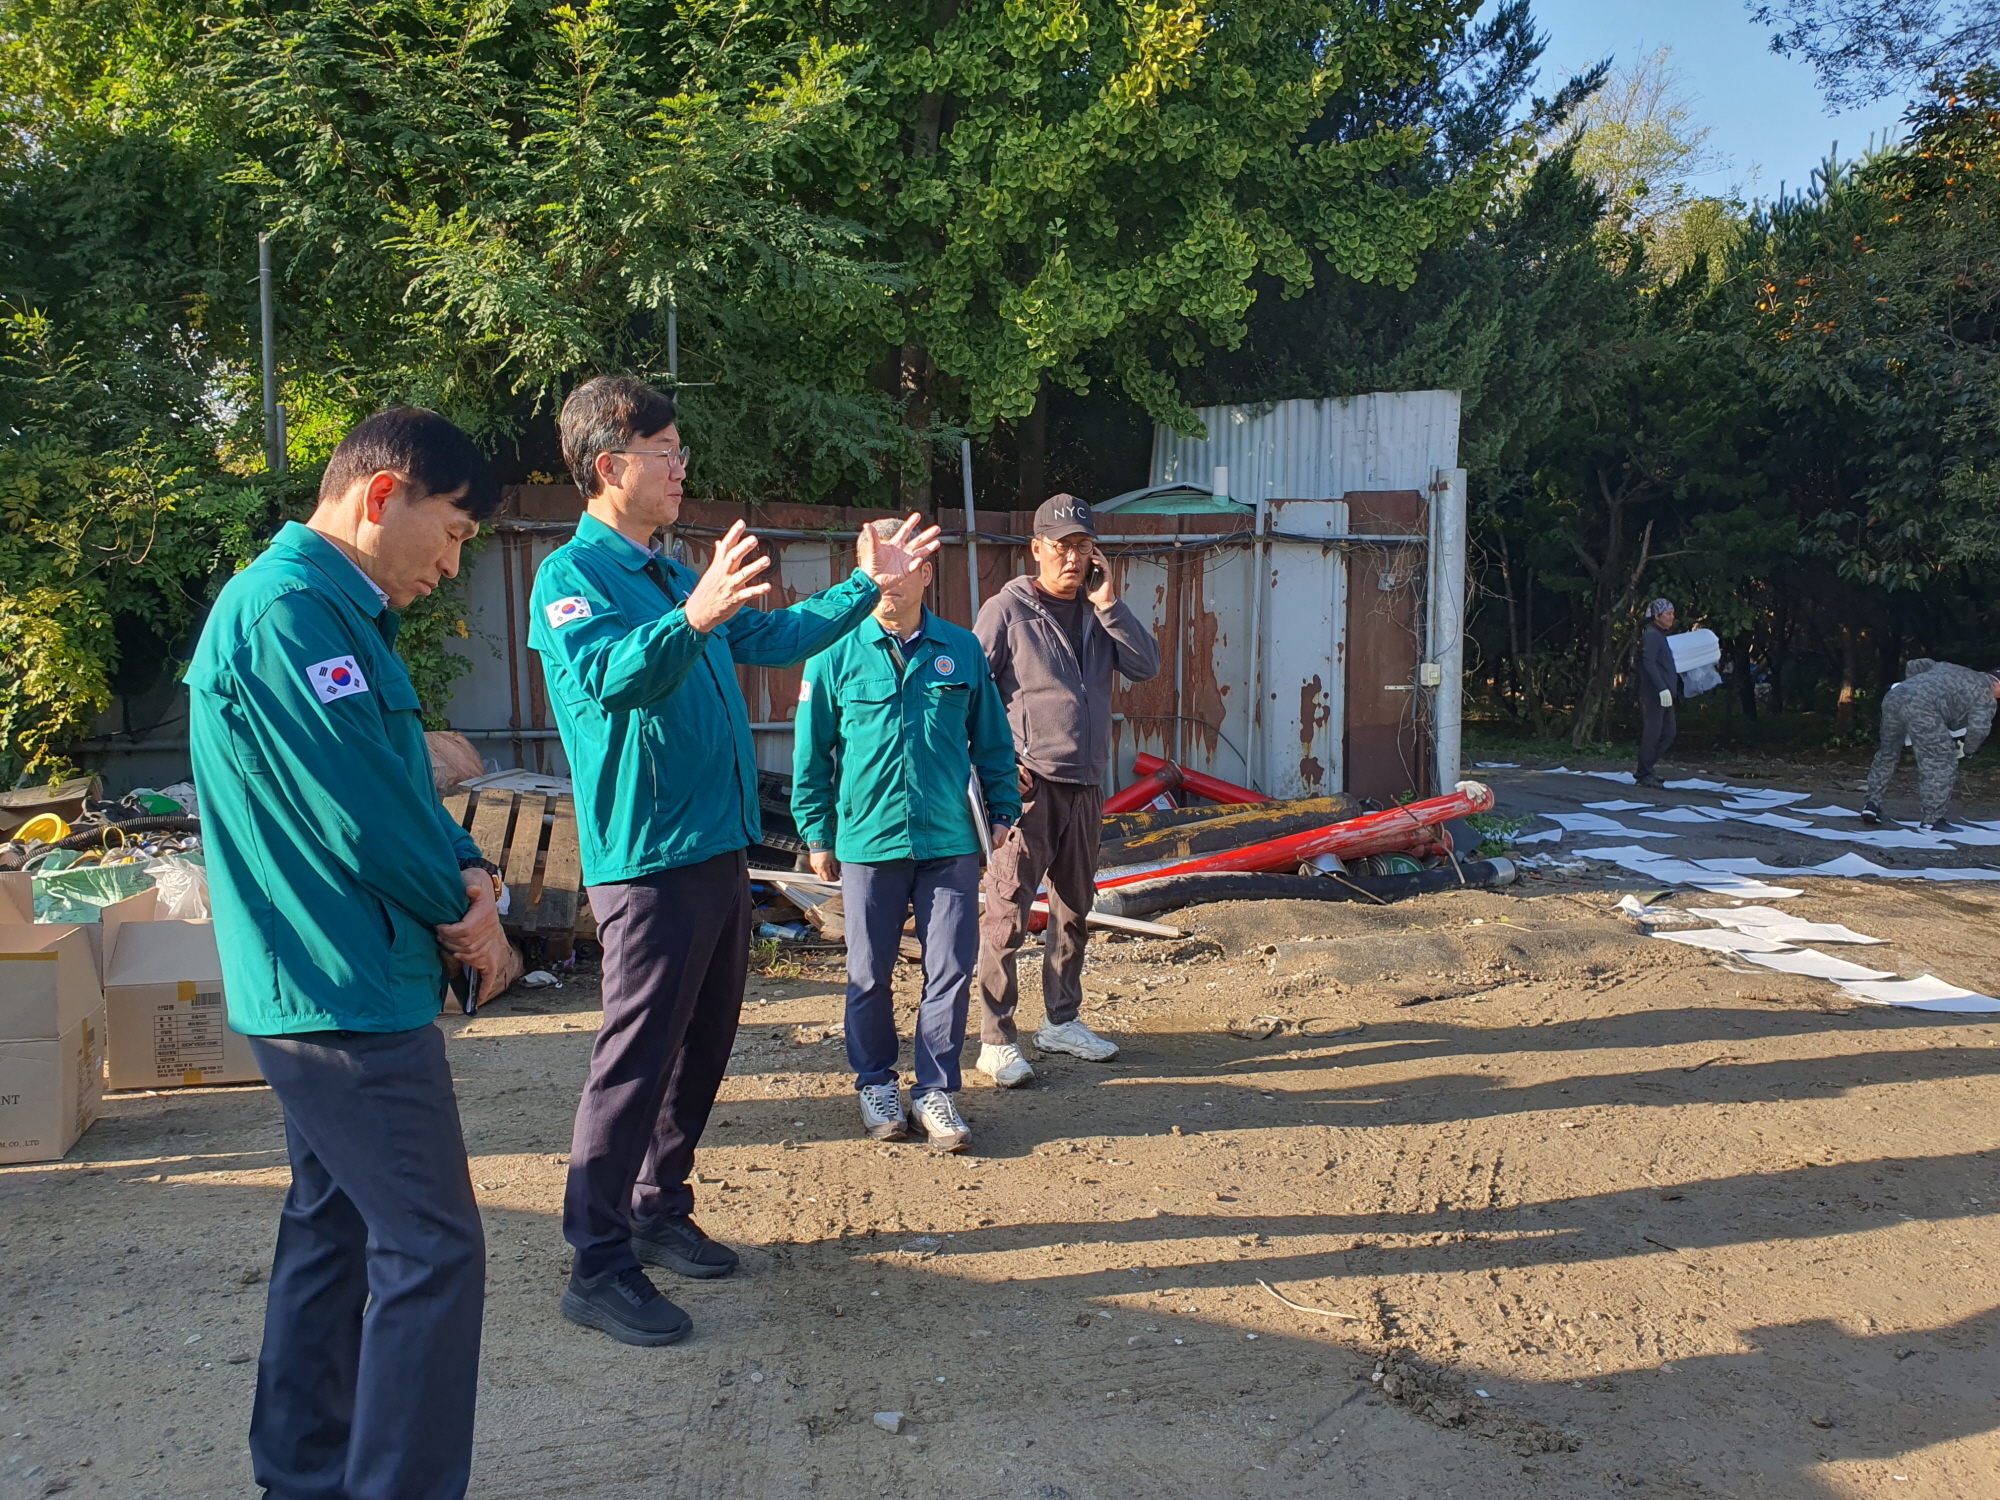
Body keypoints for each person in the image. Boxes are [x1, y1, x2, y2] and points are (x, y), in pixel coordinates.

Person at [530, 375, 939, 1346]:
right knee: (635, 1061)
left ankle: (657, 1205)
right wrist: (693, 619)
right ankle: (596, 1262)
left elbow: (780, 636)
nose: (682, 468)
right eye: (665, 453)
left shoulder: (675, 574)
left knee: (703, 1046)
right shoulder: (570, 579)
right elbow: (611, 680)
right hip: (646, 859)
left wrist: (869, 587)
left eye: (681, 451)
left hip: (717, 850)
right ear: (608, 466)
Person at [187, 408, 515, 1500]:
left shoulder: (338, 615)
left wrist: (468, 864)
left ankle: (305, 1472)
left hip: (343, 977)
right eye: (453, 533)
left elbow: (398, 784)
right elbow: (361, 816)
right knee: (433, 1249)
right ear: (382, 497)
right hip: (338, 989)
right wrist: (468, 913)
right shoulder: (286, 613)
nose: (453, 564)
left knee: (332, 1229)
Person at [792, 519, 1020, 1151]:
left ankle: (935, 1090)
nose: (888, 580)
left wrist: (1003, 810)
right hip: (870, 843)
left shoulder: (961, 649)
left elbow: (992, 741)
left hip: (949, 843)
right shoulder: (833, 651)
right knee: (868, 973)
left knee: (949, 970)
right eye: (875, 565)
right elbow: (811, 754)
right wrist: (817, 833)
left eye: (902, 566)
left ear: (926, 573)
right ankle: (876, 1083)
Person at [974, 493, 1161, 1085]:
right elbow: (969, 693)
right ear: (1037, 549)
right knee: (1006, 912)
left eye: (1083, 547)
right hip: (1028, 789)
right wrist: (997, 763)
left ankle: (1061, 1021)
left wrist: (1110, 604)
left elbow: (1147, 666)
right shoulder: (1007, 611)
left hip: (1086, 784)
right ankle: (996, 1039)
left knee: (1074, 909)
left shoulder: (1100, 611)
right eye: (1062, 547)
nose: (1073, 559)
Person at [1862, 658, 2000, 832]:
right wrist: (1968, 750)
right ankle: (1932, 820)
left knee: (1888, 751)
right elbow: (1979, 729)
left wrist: (1913, 686)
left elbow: (1915, 664)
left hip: (1896, 696)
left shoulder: (1955, 668)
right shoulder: (1985, 696)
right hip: (1924, 708)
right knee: (1941, 761)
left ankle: (1872, 803)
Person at [1635, 598, 1680, 788]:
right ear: (1656, 615)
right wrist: (1661, 687)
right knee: (1652, 734)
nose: (1672, 617)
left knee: (1669, 733)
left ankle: (1646, 768)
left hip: (1665, 692)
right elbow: (1649, 662)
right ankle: (1643, 773)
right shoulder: (1652, 635)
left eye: (1672, 613)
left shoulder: (1660, 635)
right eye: (1668, 614)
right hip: (1654, 693)